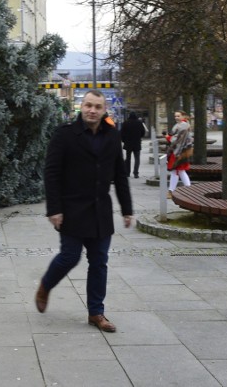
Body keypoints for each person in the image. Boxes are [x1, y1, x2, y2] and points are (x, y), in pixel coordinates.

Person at [35, 90, 133, 333]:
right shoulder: (65, 135)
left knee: (99, 262)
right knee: (70, 256)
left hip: (100, 211)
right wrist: (54, 209)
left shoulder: (112, 136)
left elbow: (120, 175)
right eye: (88, 105)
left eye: (97, 107)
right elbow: (52, 173)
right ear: (82, 107)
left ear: (104, 110)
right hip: (71, 209)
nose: (92, 110)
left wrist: (127, 209)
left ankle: (96, 313)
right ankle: (46, 285)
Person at [166, 110, 193, 199]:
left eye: (178, 116)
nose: (176, 118)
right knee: (179, 171)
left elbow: (178, 139)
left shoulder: (183, 126)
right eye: (175, 116)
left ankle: (173, 191)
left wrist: (169, 137)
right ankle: (186, 190)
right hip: (180, 151)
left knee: (178, 171)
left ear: (183, 116)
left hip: (179, 151)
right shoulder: (183, 125)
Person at [120, 112, 146, 179]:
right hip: (137, 143)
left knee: (128, 159)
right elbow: (143, 132)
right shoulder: (139, 123)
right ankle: (136, 173)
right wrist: (139, 137)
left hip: (128, 144)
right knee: (137, 159)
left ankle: (127, 173)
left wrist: (124, 140)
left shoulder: (126, 123)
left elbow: (121, 133)